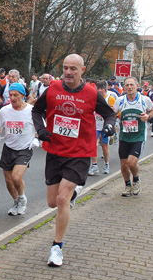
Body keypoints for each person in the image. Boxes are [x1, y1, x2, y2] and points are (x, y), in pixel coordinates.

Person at [32, 54, 116, 267]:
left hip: (79, 152)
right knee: (53, 202)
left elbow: (110, 114)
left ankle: (56, 248)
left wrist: (108, 126)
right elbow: (37, 110)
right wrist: (41, 130)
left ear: (82, 70)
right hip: (55, 150)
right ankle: (75, 191)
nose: (68, 72)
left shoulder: (90, 93)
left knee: (61, 200)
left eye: (73, 69)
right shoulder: (53, 88)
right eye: (65, 68)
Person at [0, 83, 38, 216]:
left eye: (15, 95)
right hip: (9, 148)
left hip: (25, 148)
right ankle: (16, 201)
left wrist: (36, 138)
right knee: (8, 181)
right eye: (10, 95)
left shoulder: (31, 111)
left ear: (23, 96)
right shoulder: (4, 111)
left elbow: (40, 127)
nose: (12, 98)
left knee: (16, 177)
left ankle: (22, 199)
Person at [113, 76, 153, 197]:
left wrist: (148, 116)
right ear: (124, 88)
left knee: (131, 163)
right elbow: (113, 113)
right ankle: (127, 185)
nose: (129, 87)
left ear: (137, 86)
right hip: (124, 137)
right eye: (127, 85)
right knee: (123, 164)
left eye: (132, 85)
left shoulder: (144, 100)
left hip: (138, 136)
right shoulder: (120, 100)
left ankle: (136, 180)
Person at [89, 80, 116, 175]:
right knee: (93, 145)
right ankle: (94, 166)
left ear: (105, 89)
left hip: (105, 126)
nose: (100, 91)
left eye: (102, 89)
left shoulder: (110, 98)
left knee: (104, 146)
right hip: (95, 125)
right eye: (98, 89)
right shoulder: (93, 97)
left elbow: (113, 113)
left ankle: (106, 163)